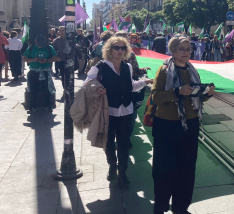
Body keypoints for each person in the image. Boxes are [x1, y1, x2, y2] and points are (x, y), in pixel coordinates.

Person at [151, 36, 216, 214]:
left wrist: (206, 94)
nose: (186, 52)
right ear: (173, 51)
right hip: (167, 126)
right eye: (182, 49)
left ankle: (181, 207)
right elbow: (155, 96)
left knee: (187, 169)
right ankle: (161, 205)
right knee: (164, 169)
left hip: (189, 125)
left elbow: (196, 98)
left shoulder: (193, 70)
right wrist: (176, 92)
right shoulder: (164, 70)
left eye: (188, 49)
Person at [84, 36, 152, 186]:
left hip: (126, 111)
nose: (120, 51)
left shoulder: (127, 67)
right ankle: (112, 165)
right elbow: (87, 85)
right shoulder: (100, 67)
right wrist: (97, 88)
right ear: (109, 49)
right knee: (108, 142)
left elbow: (131, 86)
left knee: (123, 142)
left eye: (123, 48)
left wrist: (145, 82)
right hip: (109, 111)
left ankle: (123, 172)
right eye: (117, 47)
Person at [23, 35, 57, 112]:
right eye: (39, 44)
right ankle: (32, 106)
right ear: (35, 41)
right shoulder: (31, 48)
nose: (40, 46)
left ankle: (48, 105)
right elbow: (24, 58)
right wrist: (32, 60)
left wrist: (47, 60)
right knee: (33, 89)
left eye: (42, 44)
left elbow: (55, 57)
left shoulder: (49, 48)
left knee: (46, 89)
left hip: (45, 71)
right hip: (33, 71)